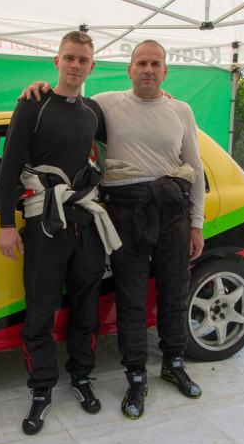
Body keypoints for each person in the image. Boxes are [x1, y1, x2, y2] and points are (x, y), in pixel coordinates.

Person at [20, 39, 205, 420]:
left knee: (175, 294)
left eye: (155, 64)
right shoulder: (104, 103)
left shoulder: (181, 110)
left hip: (172, 212)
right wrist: (39, 88)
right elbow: (68, 102)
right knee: (131, 299)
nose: (148, 70)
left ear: (165, 71)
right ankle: (136, 377)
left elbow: (196, 169)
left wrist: (196, 224)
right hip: (126, 212)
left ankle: (173, 363)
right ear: (129, 69)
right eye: (142, 63)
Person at [0, 31, 119, 436]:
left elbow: (128, 120)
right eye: (69, 57)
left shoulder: (92, 111)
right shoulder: (33, 103)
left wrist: (163, 98)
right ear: (56, 61)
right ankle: (41, 388)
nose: (75, 65)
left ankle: (81, 376)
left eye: (83, 60)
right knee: (41, 308)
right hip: (44, 224)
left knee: (86, 304)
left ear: (92, 66)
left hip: (85, 221)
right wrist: (6, 225)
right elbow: (8, 166)